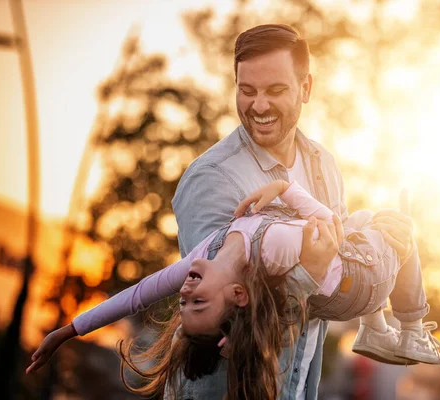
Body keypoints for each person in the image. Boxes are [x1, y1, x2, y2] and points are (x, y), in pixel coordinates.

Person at [170, 23, 416, 399]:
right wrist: (314, 273)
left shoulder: (323, 165)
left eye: (275, 90)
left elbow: (335, 276)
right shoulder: (212, 180)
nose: (259, 106)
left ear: (306, 88)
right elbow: (221, 319)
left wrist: (381, 246)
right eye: (246, 90)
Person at [26, 179, 440, 399]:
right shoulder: (274, 252)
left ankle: (377, 329)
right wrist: (285, 189)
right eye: (198, 302)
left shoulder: (207, 255)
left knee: (364, 216)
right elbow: (328, 226)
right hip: (359, 280)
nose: (186, 291)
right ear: (238, 296)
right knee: (395, 225)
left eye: (184, 302)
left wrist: (68, 331)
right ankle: (412, 328)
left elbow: (138, 294)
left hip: (341, 274)